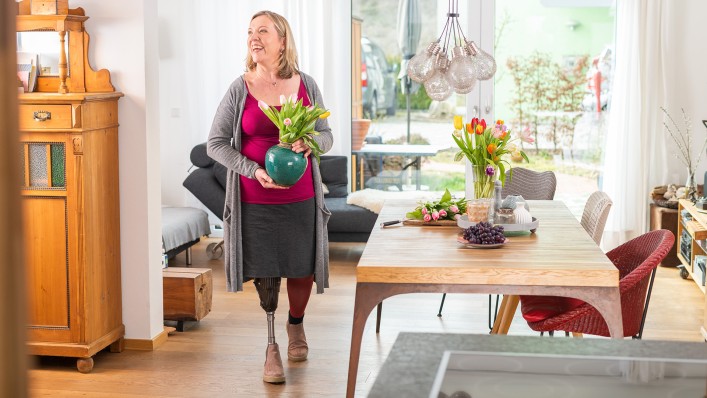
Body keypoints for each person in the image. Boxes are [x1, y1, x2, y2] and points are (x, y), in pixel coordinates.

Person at [206, 10, 332, 384]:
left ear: (282, 40)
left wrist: (310, 142)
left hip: (301, 196)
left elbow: (327, 135)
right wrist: (253, 170)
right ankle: (271, 344)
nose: (253, 37)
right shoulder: (239, 88)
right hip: (254, 200)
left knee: (302, 266)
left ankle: (296, 325)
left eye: (262, 31)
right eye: (249, 32)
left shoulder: (305, 83)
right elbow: (215, 144)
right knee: (266, 271)